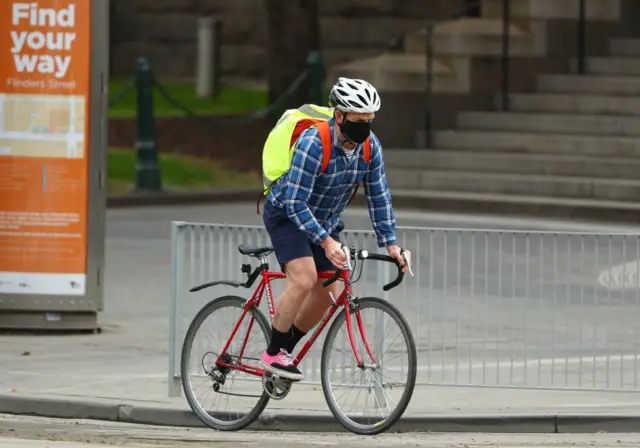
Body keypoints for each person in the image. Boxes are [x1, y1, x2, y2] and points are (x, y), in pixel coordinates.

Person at [260, 77, 410, 381]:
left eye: (370, 121)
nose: (365, 128)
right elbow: (295, 202)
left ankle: (286, 348)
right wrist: (327, 242)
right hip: (288, 213)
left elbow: (379, 196)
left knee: (330, 293)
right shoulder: (314, 144)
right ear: (339, 116)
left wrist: (391, 244)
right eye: (358, 121)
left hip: (324, 220)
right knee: (304, 280)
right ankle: (272, 353)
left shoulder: (370, 147)